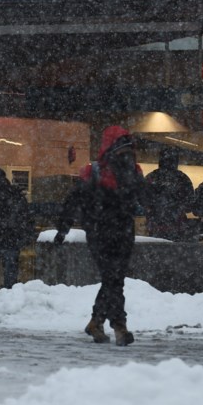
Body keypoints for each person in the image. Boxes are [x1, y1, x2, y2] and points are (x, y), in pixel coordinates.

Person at [54, 126, 145, 346]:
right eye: (122, 150)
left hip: (119, 232)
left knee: (114, 280)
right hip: (102, 232)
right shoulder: (95, 172)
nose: (125, 156)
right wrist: (63, 229)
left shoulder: (131, 172)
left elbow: (142, 198)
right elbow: (74, 201)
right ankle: (119, 327)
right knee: (113, 279)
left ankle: (97, 321)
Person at [144, 147, 195, 241]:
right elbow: (190, 205)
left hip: (155, 226)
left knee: (155, 250)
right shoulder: (182, 179)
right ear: (176, 161)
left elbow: (143, 201)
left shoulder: (151, 178)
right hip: (177, 226)